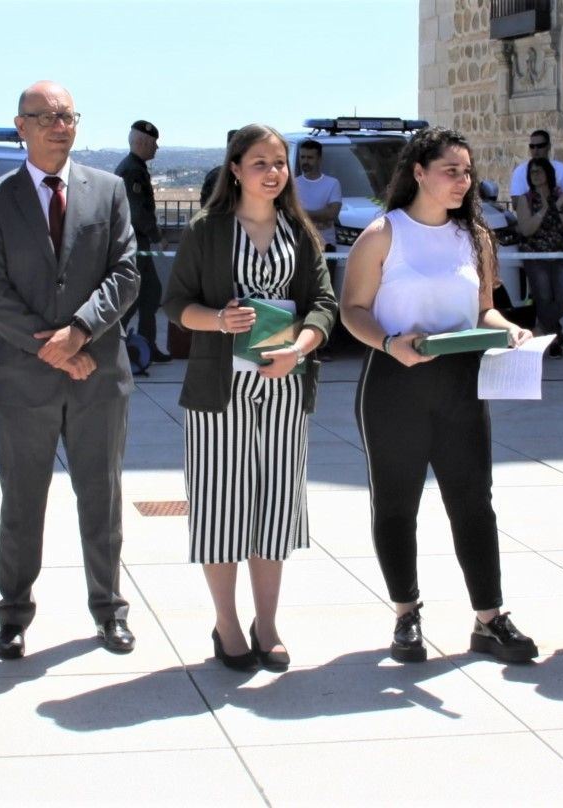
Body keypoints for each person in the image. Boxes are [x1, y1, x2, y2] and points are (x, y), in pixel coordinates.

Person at [341, 126, 539, 664]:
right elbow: (352, 310)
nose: (462, 180)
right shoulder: (383, 234)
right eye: (451, 170)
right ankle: (406, 614)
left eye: (467, 172)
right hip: (395, 382)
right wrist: (390, 343)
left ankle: (489, 618)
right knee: (396, 503)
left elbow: (483, 309)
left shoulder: (475, 237)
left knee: (474, 502)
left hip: (461, 384)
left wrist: (510, 329)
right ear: (418, 173)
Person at [161, 123, 338, 672]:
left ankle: (268, 623)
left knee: (275, 507)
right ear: (235, 169)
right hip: (221, 392)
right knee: (221, 505)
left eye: (279, 162)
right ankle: (228, 623)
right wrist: (218, 320)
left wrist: (301, 348)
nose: (273, 172)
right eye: (260, 162)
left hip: (284, 387)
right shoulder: (207, 230)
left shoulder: (299, 231)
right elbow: (175, 304)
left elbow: (324, 303)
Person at [0, 81, 140, 660]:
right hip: (25, 379)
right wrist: (53, 347)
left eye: (67, 116)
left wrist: (80, 332)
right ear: (20, 126)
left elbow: (125, 273)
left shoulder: (109, 190)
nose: (59, 126)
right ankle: (13, 615)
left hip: (99, 375)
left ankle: (109, 611)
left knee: (102, 498)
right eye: (45, 117)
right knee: (22, 504)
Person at [113, 120, 171, 363]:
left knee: (150, 294)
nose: (156, 148)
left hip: (137, 245)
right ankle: (112, 346)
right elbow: (138, 213)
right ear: (142, 142)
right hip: (134, 245)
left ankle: (147, 346)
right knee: (135, 297)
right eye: (153, 143)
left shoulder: (134, 167)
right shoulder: (132, 171)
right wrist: (157, 236)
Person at [515, 157, 563, 357]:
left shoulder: (561, 196)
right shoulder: (526, 199)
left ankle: (540, 329)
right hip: (535, 256)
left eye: (539, 171)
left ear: (548, 173)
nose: (535, 175)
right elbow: (526, 229)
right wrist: (543, 209)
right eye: (532, 172)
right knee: (544, 299)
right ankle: (553, 341)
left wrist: (560, 207)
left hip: (559, 254)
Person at [294, 139, 343, 250]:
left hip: (326, 244)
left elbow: (332, 214)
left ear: (319, 159)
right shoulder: (292, 184)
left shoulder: (332, 183)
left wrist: (300, 214)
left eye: (310, 158)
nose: (305, 161)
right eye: (302, 157)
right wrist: (320, 216)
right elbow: (289, 213)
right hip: (299, 245)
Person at [508, 129, 563, 198]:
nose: (535, 150)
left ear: (548, 146)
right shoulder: (519, 171)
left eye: (540, 146)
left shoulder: (562, 169)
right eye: (532, 146)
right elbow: (516, 201)